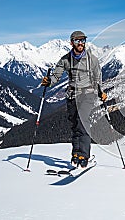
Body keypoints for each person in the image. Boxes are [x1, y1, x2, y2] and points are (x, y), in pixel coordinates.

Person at [41, 30, 107, 168]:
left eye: (83, 40)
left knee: (82, 123)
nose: (81, 43)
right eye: (78, 41)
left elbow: (98, 77)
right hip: (71, 95)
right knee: (75, 125)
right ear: (72, 43)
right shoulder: (65, 60)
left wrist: (101, 92)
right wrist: (49, 82)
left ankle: (84, 155)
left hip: (87, 94)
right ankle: (76, 153)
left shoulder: (92, 59)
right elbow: (56, 76)